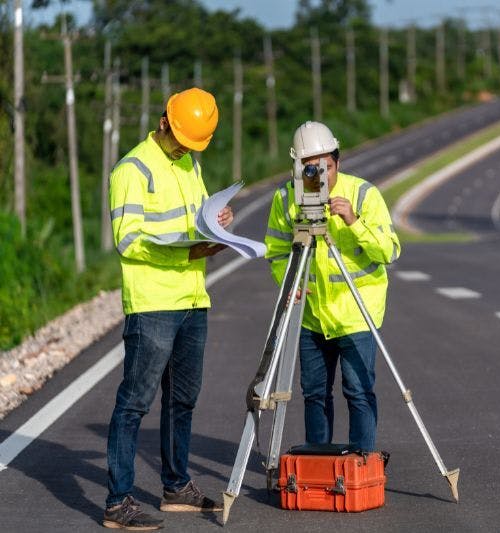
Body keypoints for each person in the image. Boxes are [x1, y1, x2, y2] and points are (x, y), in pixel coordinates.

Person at [104, 87, 232, 531]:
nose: (186, 148)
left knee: (183, 400)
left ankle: (176, 487)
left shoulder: (189, 164)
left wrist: (217, 226)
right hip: (153, 303)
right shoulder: (132, 169)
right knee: (134, 402)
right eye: (183, 140)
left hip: (193, 298)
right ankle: (118, 503)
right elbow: (128, 239)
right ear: (164, 122)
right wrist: (187, 254)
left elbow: (193, 220)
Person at [264, 121, 401, 452]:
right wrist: (288, 283)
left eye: (326, 167)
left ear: (338, 161)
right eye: (310, 169)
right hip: (311, 315)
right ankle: (318, 462)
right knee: (314, 393)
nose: (320, 176)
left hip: (356, 314)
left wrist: (354, 222)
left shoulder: (363, 194)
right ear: (298, 168)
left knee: (358, 390)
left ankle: (362, 462)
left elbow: (389, 251)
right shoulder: (286, 198)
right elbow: (276, 251)